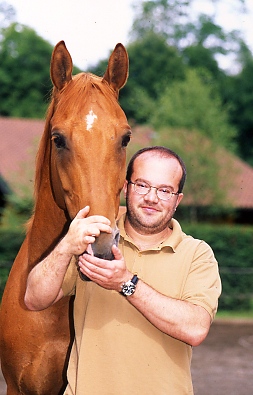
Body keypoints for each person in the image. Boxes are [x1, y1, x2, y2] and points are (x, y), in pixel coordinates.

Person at [25, 146, 221, 395]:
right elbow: (33, 298)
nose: (151, 197)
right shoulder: (94, 238)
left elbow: (195, 329)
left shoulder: (197, 253)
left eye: (164, 190)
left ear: (177, 199)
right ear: (126, 187)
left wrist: (125, 283)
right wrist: (65, 245)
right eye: (142, 185)